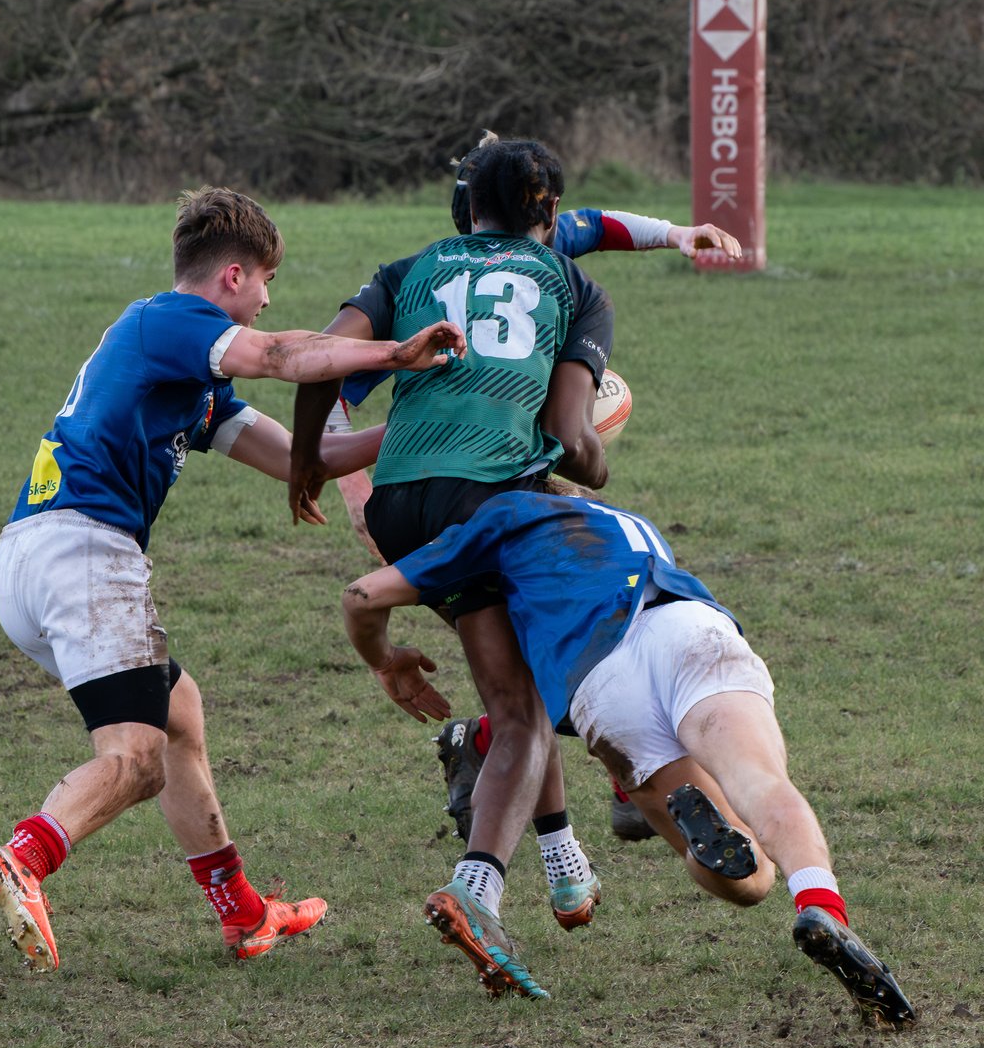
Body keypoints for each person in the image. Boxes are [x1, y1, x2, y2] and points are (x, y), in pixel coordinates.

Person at [0, 187, 463, 974]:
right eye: (266, 281)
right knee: (136, 758)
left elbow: (305, 458)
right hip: (84, 555)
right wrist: (391, 353)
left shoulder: (188, 381)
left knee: (179, 713)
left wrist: (429, 427)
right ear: (232, 276)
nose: (268, 300)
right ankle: (25, 855)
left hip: (41, 557)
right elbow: (280, 356)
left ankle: (244, 913)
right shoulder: (165, 321)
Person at [340, 490, 918, 1026]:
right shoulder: (627, 521)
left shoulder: (503, 515)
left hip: (602, 682)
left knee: (752, 883)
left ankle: (702, 838)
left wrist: (387, 658)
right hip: (686, 629)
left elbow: (362, 595)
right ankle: (821, 905)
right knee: (762, 781)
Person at [313, 136, 738, 849]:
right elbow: (336, 385)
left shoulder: (536, 237)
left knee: (556, 623)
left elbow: (598, 225)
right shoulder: (444, 279)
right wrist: (354, 486)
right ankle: (596, 773)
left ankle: (530, 768)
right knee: (559, 630)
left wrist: (675, 235)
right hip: (468, 488)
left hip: (510, 473)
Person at [283, 138, 626, 981]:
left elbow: (317, 358)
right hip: (491, 500)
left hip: (402, 505)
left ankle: (563, 857)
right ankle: (480, 885)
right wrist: (598, 458)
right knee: (524, 705)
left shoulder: (406, 270)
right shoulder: (573, 286)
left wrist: (304, 461)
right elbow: (574, 442)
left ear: (464, 209)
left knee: (515, 686)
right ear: (549, 214)